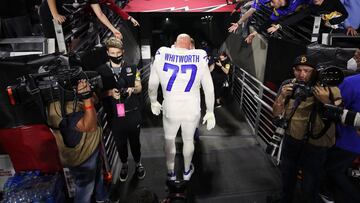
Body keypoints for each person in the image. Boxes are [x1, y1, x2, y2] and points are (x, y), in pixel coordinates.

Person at [272, 53, 342, 203]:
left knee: (310, 183)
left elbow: (339, 116)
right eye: (298, 69)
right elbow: (276, 113)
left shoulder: (329, 88)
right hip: (292, 140)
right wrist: (282, 96)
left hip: (315, 145)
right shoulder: (288, 85)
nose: (302, 74)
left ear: (315, 71)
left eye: (307, 70)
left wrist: (325, 100)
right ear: (293, 70)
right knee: (287, 176)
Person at [148, 34, 216, 181]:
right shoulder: (199, 56)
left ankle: (171, 172)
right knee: (188, 140)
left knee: (169, 139)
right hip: (191, 108)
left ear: (175, 44)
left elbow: (153, 84)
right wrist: (210, 111)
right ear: (190, 45)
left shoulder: (162, 53)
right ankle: (186, 171)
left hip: (171, 107)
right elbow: (209, 89)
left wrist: (153, 101)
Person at [47, 79, 108, 203]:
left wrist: (88, 93)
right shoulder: (58, 107)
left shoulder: (70, 96)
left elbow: (95, 101)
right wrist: (86, 98)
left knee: (98, 176)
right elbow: (90, 126)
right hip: (82, 157)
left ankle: (102, 198)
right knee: (85, 190)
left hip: (91, 148)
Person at [96, 37, 145, 182]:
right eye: (112, 53)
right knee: (120, 144)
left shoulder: (132, 68)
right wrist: (109, 93)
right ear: (107, 52)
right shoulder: (101, 71)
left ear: (122, 52)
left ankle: (138, 164)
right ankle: (124, 165)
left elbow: (139, 87)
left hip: (132, 113)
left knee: (135, 142)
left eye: (118, 53)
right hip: (114, 115)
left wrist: (132, 90)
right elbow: (97, 95)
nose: (116, 56)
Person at [323, 73, 360, 203]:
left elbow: (335, 108)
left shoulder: (351, 83)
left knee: (331, 170)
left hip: (348, 141)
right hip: (352, 143)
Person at [39, 0, 122, 39]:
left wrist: (113, 29)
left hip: (65, 14)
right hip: (49, 12)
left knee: (65, 39)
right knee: (53, 42)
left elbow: (100, 14)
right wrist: (55, 14)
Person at [267, 0, 348, 34]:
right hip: (319, 27)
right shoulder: (312, 7)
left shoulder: (333, 1)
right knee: (317, 44)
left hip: (338, 27)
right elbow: (297, 17)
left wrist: (331, 22)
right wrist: (279, 26)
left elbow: (345, 14)